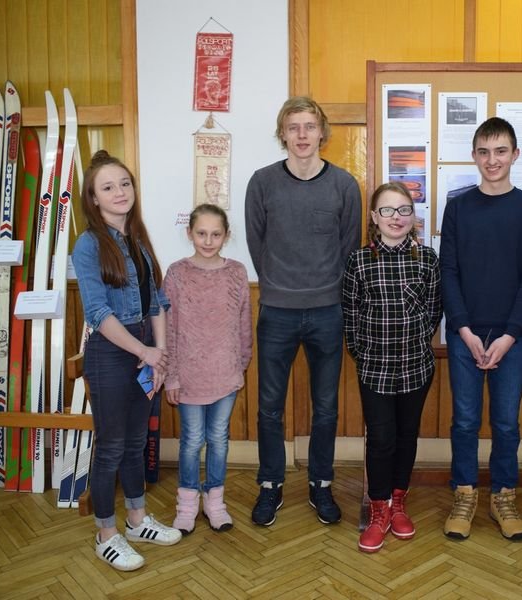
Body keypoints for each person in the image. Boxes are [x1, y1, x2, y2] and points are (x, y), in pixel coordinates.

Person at [245, 96, 362, 526]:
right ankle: (270, 484)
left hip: (328, 311)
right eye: (293, 127)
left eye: (309, 126)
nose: (301, 135)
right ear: (282, 134)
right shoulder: (262, 182)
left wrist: (326, 290)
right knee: (268, 407)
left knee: (326, 407)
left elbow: (349, 247)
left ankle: (321, 483)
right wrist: (279, 285)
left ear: (322, 133)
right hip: (277, 310)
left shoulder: (344, 185)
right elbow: (256, 243)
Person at [72, 150, 182, 572]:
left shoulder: (137, 240)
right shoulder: (89, 244)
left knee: (137, 443)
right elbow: (98, 314)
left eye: (124, 183)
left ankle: (137, 521)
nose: (119, 192)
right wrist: (144, 352)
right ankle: (105, 535)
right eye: (108, 187)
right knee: (111, 448)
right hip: (111, 354)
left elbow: (157, 303)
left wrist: (160, 357)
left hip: (145, 351)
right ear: (93, 198)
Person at [440, 117, 522, 542]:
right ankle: (464, 494)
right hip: (464, 334)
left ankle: (504, 496)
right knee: (465, 421)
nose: (492, 159)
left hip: (511, 337)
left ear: (515, 155)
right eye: (484, 152)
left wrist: (511, 334)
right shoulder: (458, 207)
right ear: (474, 156)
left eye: (501, 151)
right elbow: (448, 271)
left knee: (505, 423)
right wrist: (463, 330)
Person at [342, 182, 442, 553]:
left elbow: (434, 310)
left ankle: (399, 500)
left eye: (403, 210)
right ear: (374, 217)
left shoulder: (427, 259)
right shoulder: (359, 261)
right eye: (387, 210)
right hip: (375, 369)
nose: (395, 217)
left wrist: (414, 342)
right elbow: (350, 314)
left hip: (416, 367)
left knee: (406, 435)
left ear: (413, 216)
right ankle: (379, 507)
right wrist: (363, 352)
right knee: (381, 438)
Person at [164, 204, 251, 535]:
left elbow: (243, 323)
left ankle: (215, 503)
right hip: (188, 376)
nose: (208, 240)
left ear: (226, 236)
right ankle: (186, 505)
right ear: (190, 233)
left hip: (225, 373)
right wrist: (171, 375)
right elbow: (169, 327)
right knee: (191, 440)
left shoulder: (237, 273)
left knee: (218, 438)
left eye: (216, 234)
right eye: (201, 233)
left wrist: (240, 363)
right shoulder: (176, 273)